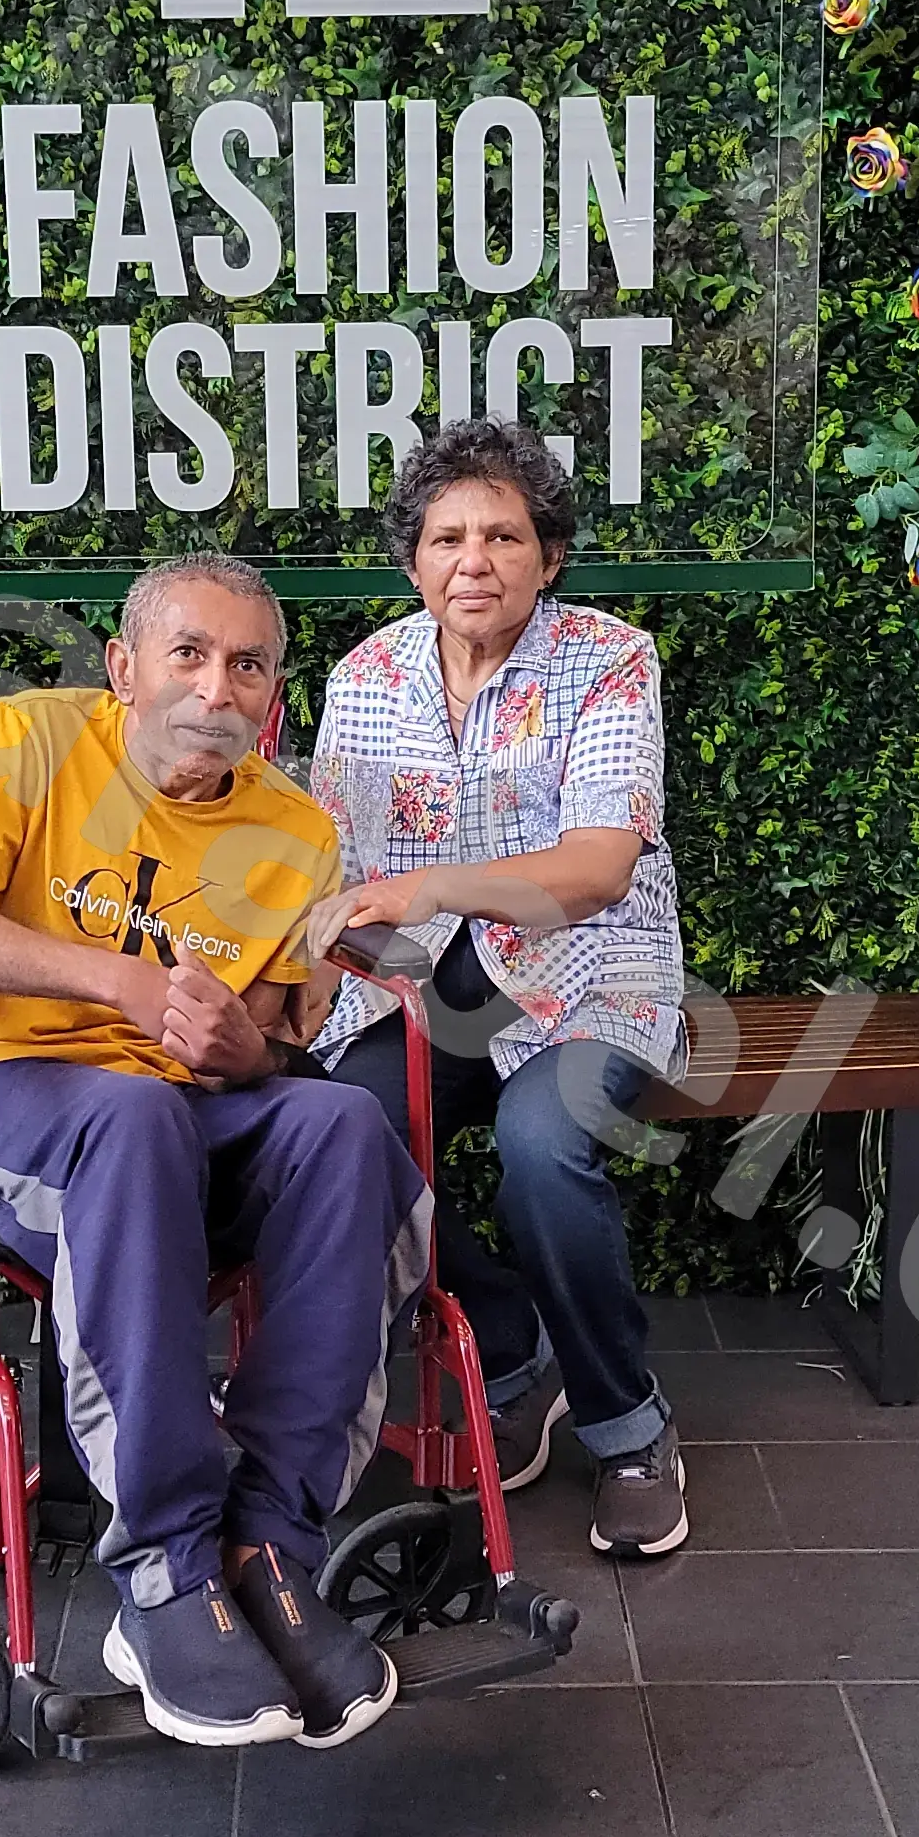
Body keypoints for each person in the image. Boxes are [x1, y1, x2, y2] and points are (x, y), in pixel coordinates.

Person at [0, 553, 418, 1752]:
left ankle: (270, 1542)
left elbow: (271, 1044)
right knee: (135, 1117)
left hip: (184, 1115)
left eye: (248, 665)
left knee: (344, 1124)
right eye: (189, 654)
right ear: (123, 669)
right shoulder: (31, 740)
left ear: (272, 695)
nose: (217, 688)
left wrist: (244, 1050)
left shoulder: (296, 834)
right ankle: (166, 1571)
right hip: (20, 1103)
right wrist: (113, 980)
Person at [308, 419, 693, 1559]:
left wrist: (428, 884)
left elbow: (596, 870)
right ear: (413, 561)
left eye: (503, 536)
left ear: (548, 556)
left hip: (592, 972)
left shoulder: (610, 660)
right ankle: (515, 1348)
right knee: (345, 1132)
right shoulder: (366, 678)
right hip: (422, 981)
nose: (472, 560)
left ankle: (628, 1428)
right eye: (446, 538)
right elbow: (329, 869)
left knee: (542, 1143)